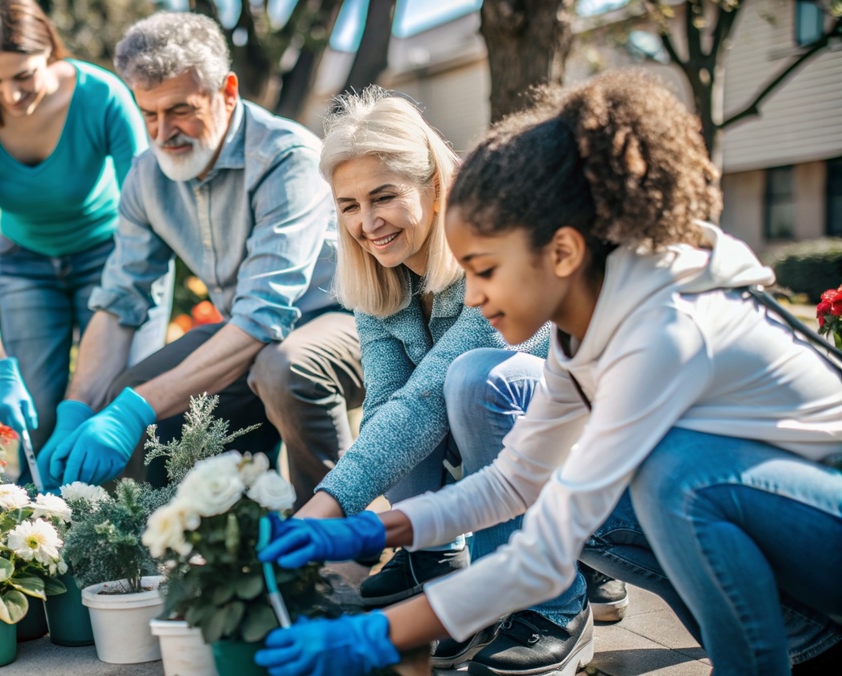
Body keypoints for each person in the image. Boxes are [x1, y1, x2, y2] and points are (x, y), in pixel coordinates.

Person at [254, 71, 842, 676]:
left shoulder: (664, 331)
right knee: (601, 486)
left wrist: (382, 631)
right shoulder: (577, 337)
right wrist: (368, 533)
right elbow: (510, 486)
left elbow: (541, 548)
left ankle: (789, 650)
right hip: (772, 550)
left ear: (560, 252)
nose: (473, 298)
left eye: (484, 271)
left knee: (674, 479)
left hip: (814, 537)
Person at [294, 85, 608, 673]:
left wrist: (325, 509)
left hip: (593, 445)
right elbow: (390, 401)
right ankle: (443, 562)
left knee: (469, 379)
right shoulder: (378, 273)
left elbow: (432, 398)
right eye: (349, 205)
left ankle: (555, 603)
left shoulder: (491, 248)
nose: (367, 222)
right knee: (401, 406)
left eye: (384, 196)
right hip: (511, 462)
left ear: (436, 186)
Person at [40, 12, 364, 503]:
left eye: (181, 110)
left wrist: (135, 410)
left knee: (283, 368)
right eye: (149, 114)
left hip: (347, 324)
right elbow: (119, 301)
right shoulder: (148, 177)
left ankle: (335, 545)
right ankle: (205, 551)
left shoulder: (285, 157)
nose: (164, 131)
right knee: (127, 388)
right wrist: (78, 407)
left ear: (228, 91)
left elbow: (263, 316)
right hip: (254, 334)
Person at [0, 0, 170, 484]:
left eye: (23, 75)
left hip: (116, 257)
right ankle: (40, 536)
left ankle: (138, 535)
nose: (11, 95)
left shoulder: (102, 96)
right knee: (35, 417)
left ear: (50, 50)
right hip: (26, 265)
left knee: (116, 400)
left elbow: (151, 215)